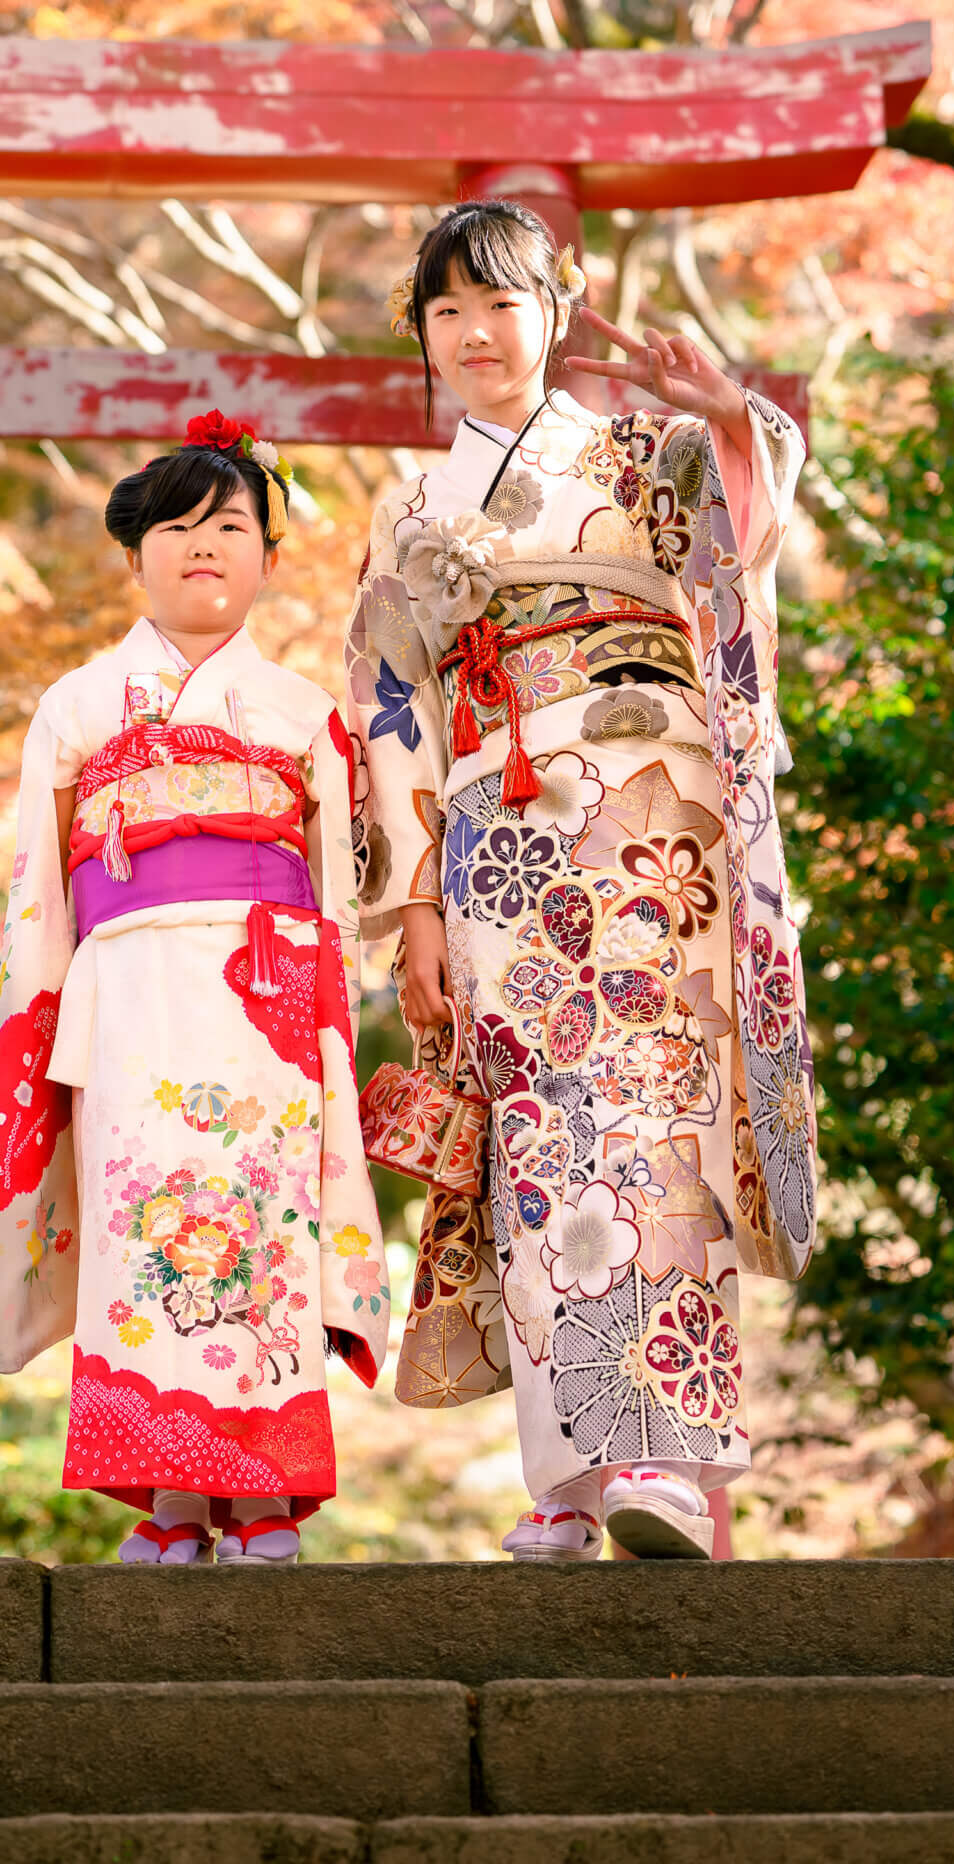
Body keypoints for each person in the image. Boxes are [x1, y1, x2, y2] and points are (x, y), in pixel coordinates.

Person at [346, 201, 819, 1561]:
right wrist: (413, 905)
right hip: (499, 840)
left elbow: (742, 541)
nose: (473, 333)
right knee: (535, 1131)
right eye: (445, 311)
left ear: (555, 311)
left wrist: (721, 412)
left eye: (501, 303)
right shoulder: (410, 508)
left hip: (654, 823)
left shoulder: (641, 453)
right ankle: (565, 1475)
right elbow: (392, 710)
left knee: (653, 1110)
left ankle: (656, 1456)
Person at [0, 410, 390, 1567]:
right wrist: (38, 1028)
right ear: (133, 555)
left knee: (261, 1219)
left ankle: (260, 1499)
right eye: (176, 526)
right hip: (124, 993)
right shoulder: (75, 703)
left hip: (265, 992)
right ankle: (168, 1498)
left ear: (270, 557)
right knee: (140, 1225)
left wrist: (327, 1023)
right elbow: (36, 894)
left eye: (230, 525)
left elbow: (339, 893)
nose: (203, 543)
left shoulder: (305, 713)